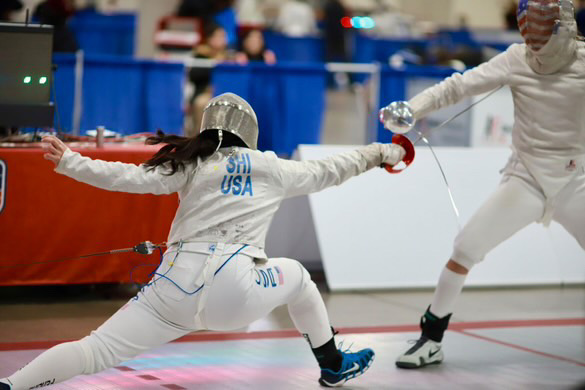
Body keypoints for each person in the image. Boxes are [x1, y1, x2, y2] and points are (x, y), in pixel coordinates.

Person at [0, 93, 408, 389]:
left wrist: (70, 161)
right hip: (239, 291)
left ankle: (11, 385)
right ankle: (332, 362)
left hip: (174, 287)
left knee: (94, 350)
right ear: (249, 133)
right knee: (299, 278)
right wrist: (384, 153)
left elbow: (126, 178)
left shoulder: (192, 162)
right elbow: (335, 168)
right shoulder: (273, 167)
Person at [393, 0, 585, 369]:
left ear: (560, 21)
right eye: (526, 21)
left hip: (576, 180)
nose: (531, 31)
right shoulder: (517, 58)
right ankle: (431, 339)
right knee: (466, 248)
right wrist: (411, 109)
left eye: (540, 21)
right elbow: (458, 86)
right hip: (526, 178)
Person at [188, 22, 231, 137]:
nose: (221, 39)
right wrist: (214, 65)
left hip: (227, 93)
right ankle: (199, 136)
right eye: (218, 36)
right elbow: (193, 76)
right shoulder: (201, 55)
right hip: (205, 93)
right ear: (210, 38)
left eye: (223, 36)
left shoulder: (230, 56)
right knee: (201, 103)